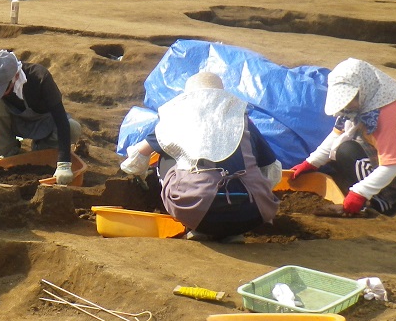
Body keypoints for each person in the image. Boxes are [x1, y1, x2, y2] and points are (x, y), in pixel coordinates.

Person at [119, 71, 281, 242]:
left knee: (167, 154)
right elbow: (272, 170)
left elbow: (134, 161)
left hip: (195, 211)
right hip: (252, 213)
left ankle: (195, 227)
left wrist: (140, 175)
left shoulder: (176, 122)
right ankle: (233, 233)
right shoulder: (243, 122)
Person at [289, 58, 396, 215]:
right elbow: (336, 135)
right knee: (344, 150)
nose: (348, 105)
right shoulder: (359, 107)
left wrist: (360, 193)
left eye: (351, 98)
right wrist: (311, 163)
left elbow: (394, 163)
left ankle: (385, 200)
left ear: (364, 89)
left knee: (347, 152)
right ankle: (378, 195)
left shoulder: (389, 114)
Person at [0, 50, 81, 185]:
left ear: (15, 76)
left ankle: (42, 149)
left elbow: (61, 119)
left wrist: (64, 162)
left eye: (3, 89)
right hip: (14, 121)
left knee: (72, 129)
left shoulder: (40, 77)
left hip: (44, 122)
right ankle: (7, 153)